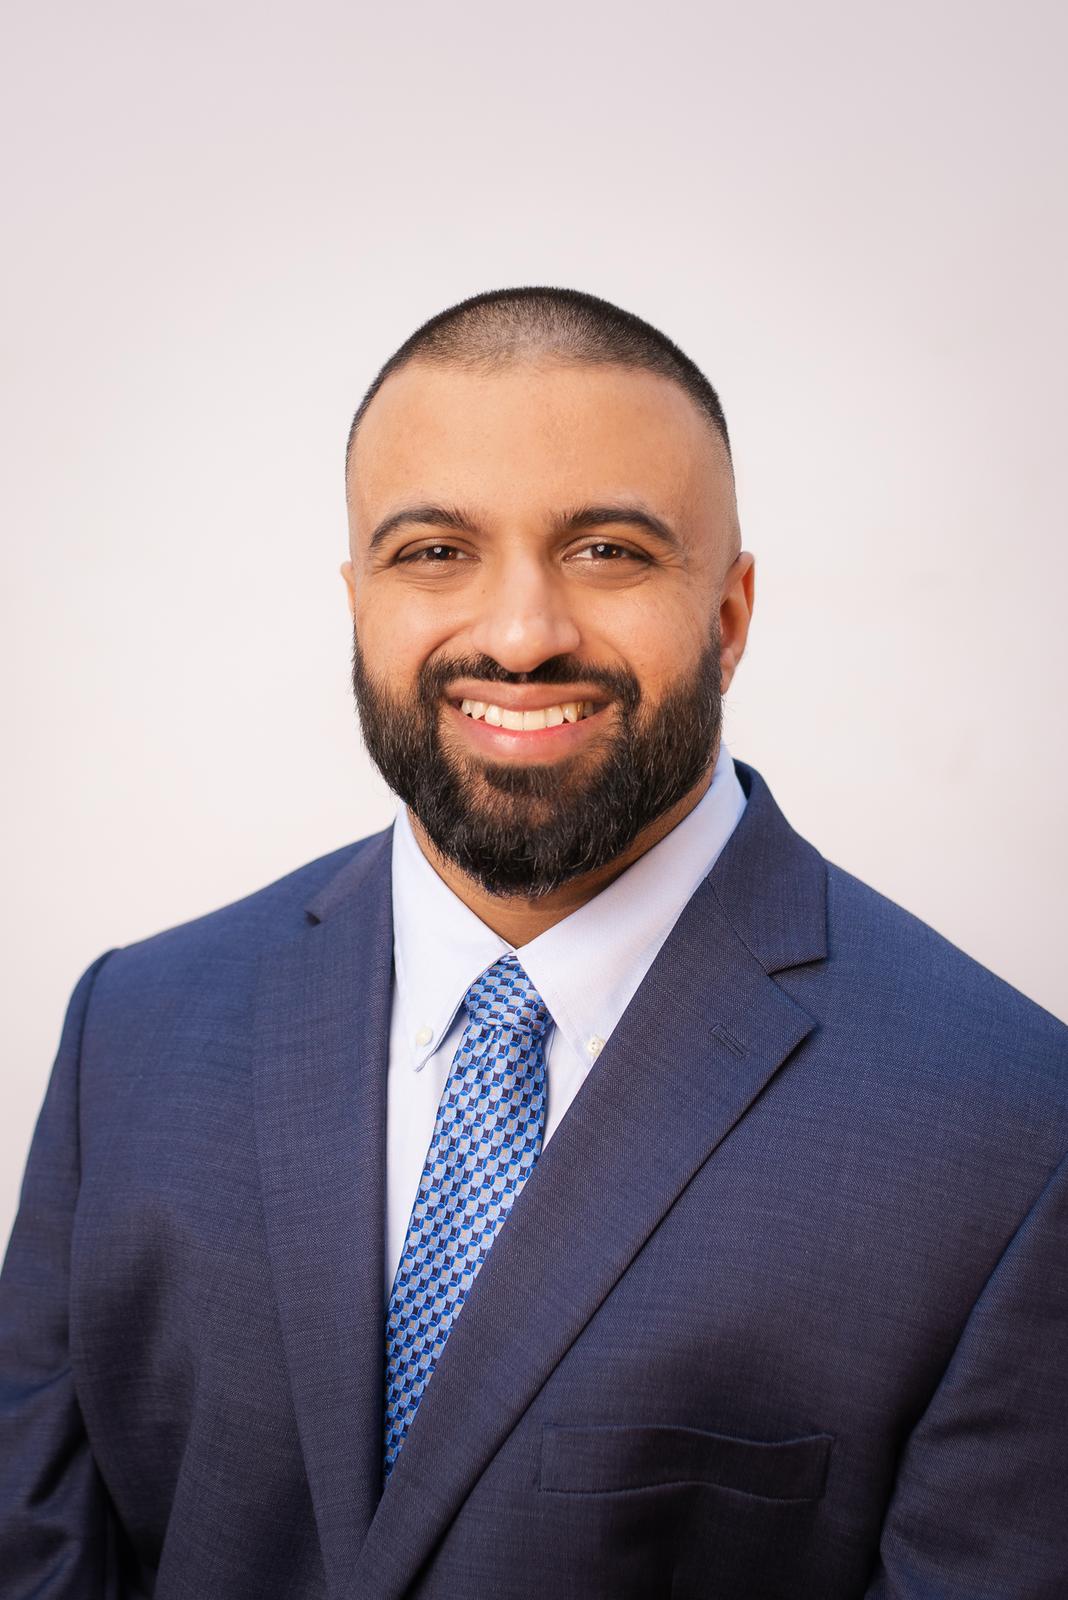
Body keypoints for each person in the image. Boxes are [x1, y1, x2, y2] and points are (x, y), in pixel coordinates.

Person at [1, 286, 1065, 1600]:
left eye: (608, 550)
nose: (519, 636)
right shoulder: (130, 1031)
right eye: (435, 551)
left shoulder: (1017, 1134)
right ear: (358, 601)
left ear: (729, 615)